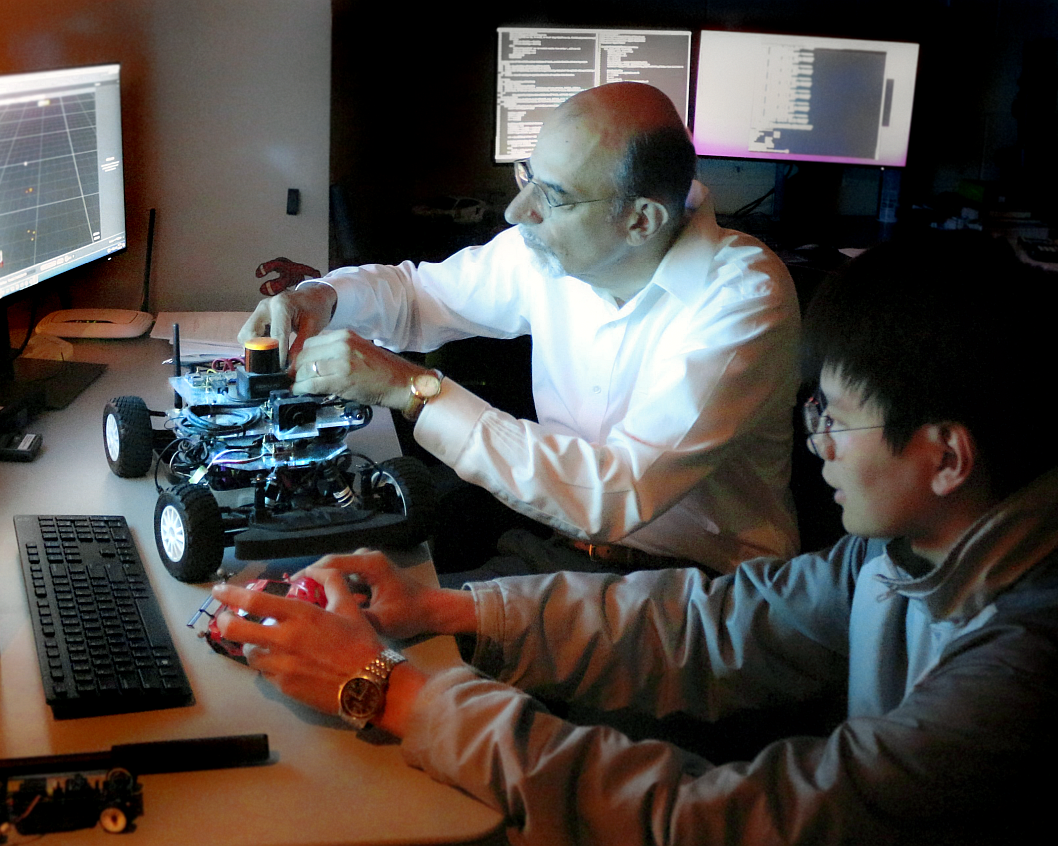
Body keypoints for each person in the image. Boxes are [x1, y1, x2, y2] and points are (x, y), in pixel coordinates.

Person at [214, 232, 1058, 844]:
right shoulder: (900, 553)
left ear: (947, 457)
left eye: (836, 419)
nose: (817, 445)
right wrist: (446, 609)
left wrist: (391, 694)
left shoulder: (1020, 665)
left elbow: (716, 821)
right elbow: (711, 626)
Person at [237, 82, 800, 576]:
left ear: (641, 220)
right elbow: (420, 297)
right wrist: (320, 297)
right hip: (562, 542)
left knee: (387, 643)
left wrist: (411, 389)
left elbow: (614, 495)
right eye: (527, 175)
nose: (515, 211)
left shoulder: (743, 300)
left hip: (695, 585)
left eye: (551, 197)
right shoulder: (560, 251)